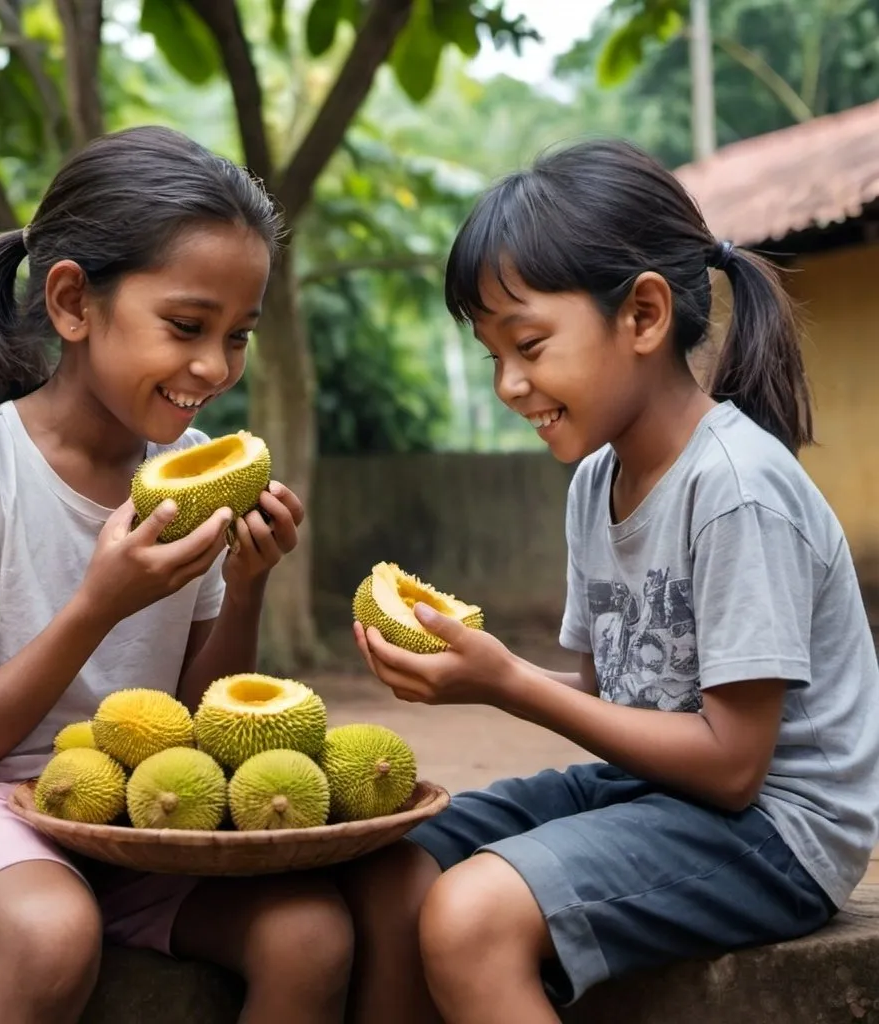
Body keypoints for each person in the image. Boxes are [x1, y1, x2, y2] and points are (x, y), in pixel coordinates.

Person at [341, 138, 879, 1024]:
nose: (511, 384)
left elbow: (735, 766)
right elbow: (609, 693)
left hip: (779, 832)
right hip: (658, 792)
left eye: (530, 344)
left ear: (643, 315)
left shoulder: (736, 489)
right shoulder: (597, 479)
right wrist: (474, 671)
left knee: (470, 918)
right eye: (492, 356)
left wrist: (507, 684)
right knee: (395, 860)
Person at [0, 126, 353, 1024]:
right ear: (71, 303)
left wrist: (245, 585)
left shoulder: (199, 472)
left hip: (133, 808)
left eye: (237, 335)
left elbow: (204, 723)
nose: (214, 367)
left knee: (309, 936)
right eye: (186, 326)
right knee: (54, 938)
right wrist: (99, 603)